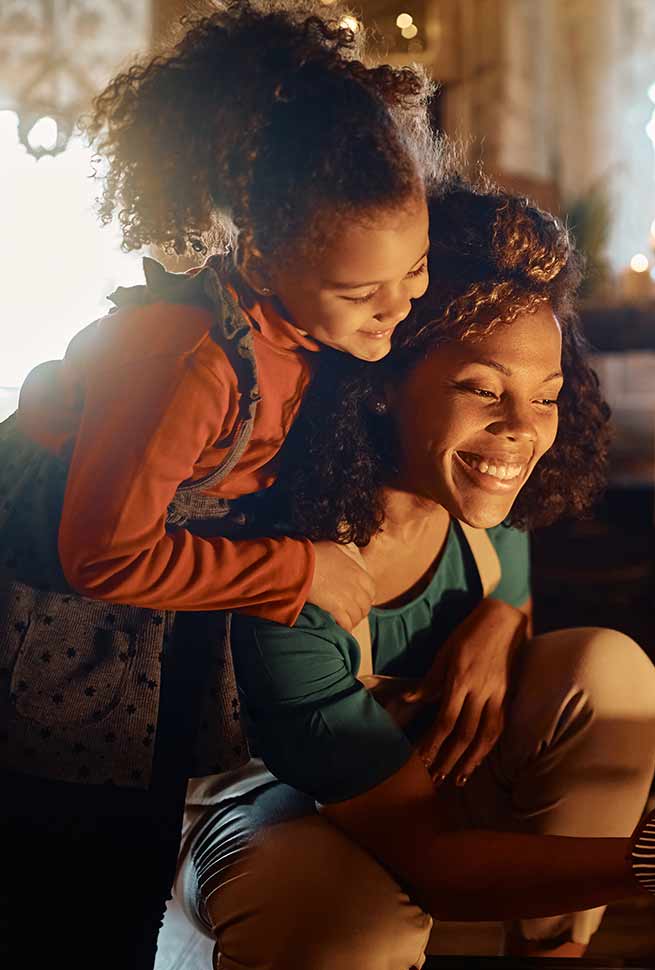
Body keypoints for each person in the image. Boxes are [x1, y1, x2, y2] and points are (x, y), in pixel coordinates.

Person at [171, 182, 655, 970]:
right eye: (481, 390)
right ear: (380, 385)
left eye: (544, 397)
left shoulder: (480, 498)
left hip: (414, 781)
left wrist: (502, 618)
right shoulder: (293, 579)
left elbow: (515, 585)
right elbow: (435, 863)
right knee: (347, 917)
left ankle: (554, 955)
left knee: (611, 674)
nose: (520, 433)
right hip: (265, 808)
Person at [0, 2, 443, 965]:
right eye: (362, 292)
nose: (399, 309)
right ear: (261, 254)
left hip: (137, 689)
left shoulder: (306, 333)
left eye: (412, 272)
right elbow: (103, 551)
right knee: (64, 910)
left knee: (125, 890)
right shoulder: (188, 358)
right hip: (52, 676)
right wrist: (300, 574)